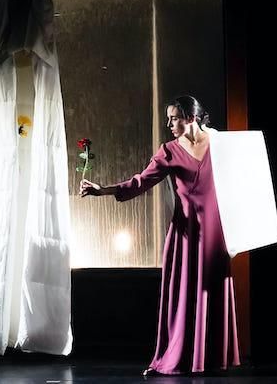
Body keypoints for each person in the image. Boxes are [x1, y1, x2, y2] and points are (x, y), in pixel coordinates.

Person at [79, 95, 240, 376]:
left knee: (211, 291)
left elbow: (241, 178)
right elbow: (141, 181)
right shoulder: (169, 151)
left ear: (191, 118)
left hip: (216, 233)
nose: (169, 124)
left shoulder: (219, 143)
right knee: (184, 298)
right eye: (168, 119)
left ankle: (211, 358)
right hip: (186, 235)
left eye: (174, 118)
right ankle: (178, 356)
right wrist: (103, 190)